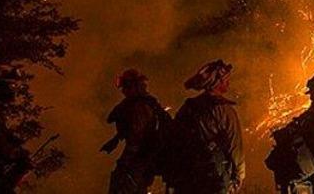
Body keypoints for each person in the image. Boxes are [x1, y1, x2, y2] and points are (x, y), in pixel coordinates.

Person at [170, 60, 244, 194]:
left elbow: (174, 138)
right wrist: (239, 176)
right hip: (213, 178)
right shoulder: (224, 110)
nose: (228, 83)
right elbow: (235, 146)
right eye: (225, 80)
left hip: (187, 178)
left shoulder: (188, 107)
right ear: (217, 82)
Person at [102, 69, 168, 194]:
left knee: (125, 186)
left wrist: (127, 160)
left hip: (140, 158)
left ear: (135, 86)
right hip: (144, 158)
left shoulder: (141, 107)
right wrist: (116, 139)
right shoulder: (141, 104)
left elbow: (137, 135)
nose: (123, 91)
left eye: (126, 87)